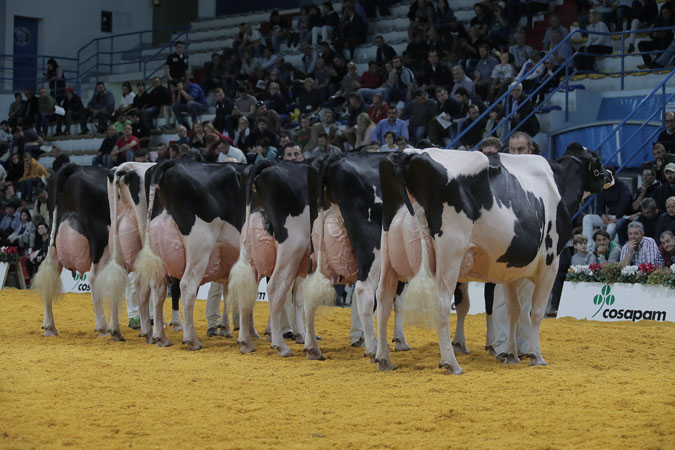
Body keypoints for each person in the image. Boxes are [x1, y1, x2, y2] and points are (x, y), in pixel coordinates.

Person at [582, 173, 631, 243]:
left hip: (621, 217)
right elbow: (599, 206)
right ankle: (588, 246)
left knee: (610, 229)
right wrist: (603, 215)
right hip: (609, 216)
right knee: (587, 218)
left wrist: (616, 218)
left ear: (614, 176)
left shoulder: (622, 186)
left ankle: (605, 247)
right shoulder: (603, 187)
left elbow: (624, 205)